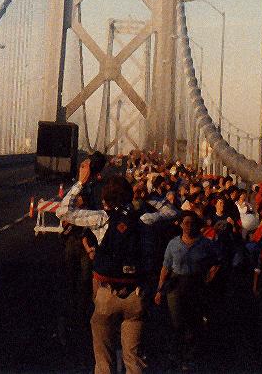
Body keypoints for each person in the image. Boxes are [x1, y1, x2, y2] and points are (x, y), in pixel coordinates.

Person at [56, 159, 174, 374]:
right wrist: (150, 197)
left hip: (106, 295)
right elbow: (172, 212)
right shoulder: (144, 219)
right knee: (133, 358)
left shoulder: (102, 219)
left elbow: (63, 212)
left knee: (103, 360)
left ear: (105, 200)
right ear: (130, 197)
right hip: (136, 296)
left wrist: (81, 183)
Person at [154, 211, 220, 368]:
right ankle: (176, 353)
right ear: (181, 224)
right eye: (186, 223)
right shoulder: (173, 244)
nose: (189, 226)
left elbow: (217, 261)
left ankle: (189, 356)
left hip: (195, 283)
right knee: (176, 319)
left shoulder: (204, 244)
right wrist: (159, 289)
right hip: (176, 284)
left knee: (193, 320)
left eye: (192, 223)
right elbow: (165, 267)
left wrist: (209, 277)